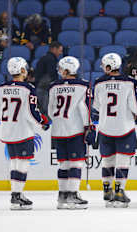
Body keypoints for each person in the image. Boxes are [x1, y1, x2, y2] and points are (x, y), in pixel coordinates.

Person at [0, 57, 50, 210]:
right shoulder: (28, 88)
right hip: (22, 131)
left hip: (7, 131)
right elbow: (32, 112)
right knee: (23, 162)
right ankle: (17, 195)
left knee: (13, 162)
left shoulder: (0, 88)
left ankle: (15, 194)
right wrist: (43, 122)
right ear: (22, 70)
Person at [93, 53, 137, 208]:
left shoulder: (98, 83)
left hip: (105, 127)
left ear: (109, 66)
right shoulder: (129, 82)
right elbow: (136, 107)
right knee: (123, 161)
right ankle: (119, 191)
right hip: (124, 127)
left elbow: (96, 106)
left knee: (107, 160)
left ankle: (107, 190)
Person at [48, 56, 90, 209]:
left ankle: (62, 196)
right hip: (75, 130)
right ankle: (73, 195)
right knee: (76, 163)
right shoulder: (83, 86)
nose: (59, 71)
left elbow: (51, 111)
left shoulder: (53, 86)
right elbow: (85, 109)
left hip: (58, 130)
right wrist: (88, 127)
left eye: (61, 68)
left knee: (63, 164)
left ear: (67, 70)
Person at [35, 42, 63, 114]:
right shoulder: (50, 59)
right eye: (60, 50)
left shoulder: (44, 58)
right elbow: (50, 75)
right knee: (46, 111)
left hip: (41, 88)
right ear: (54, 49)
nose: (60, 53)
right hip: (45, 89)